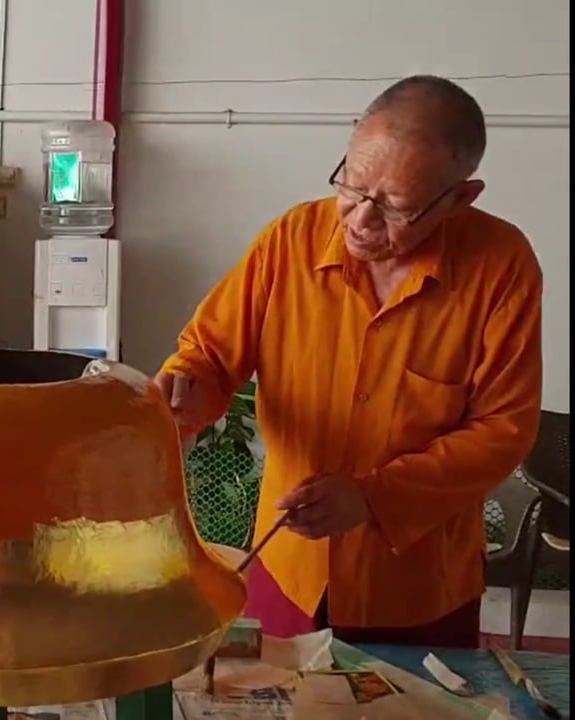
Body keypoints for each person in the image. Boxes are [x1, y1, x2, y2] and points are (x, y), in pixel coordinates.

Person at [155, 75, 543, 647]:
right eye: (352, 186)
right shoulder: (290, 241)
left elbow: (503, 431)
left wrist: (372, 497)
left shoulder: (501, 268)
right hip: (289, 567)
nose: (360, 220)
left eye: (396, 209)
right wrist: (185, 391)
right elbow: (209, 355)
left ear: (461, 198)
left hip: (418, 589)